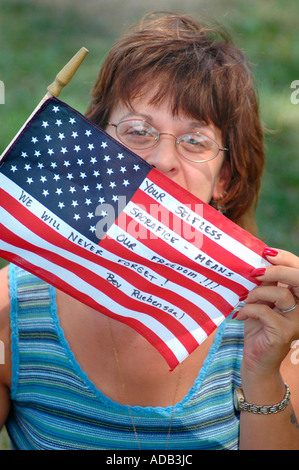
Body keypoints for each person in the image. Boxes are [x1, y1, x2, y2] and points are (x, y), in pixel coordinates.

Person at [0, 11, 299, 450]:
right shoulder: (12, 313)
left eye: (194, 140)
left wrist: (262, 372)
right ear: (92, 146)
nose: (162, 160)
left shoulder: (271, 315)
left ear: (224, 181)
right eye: (138, 130)